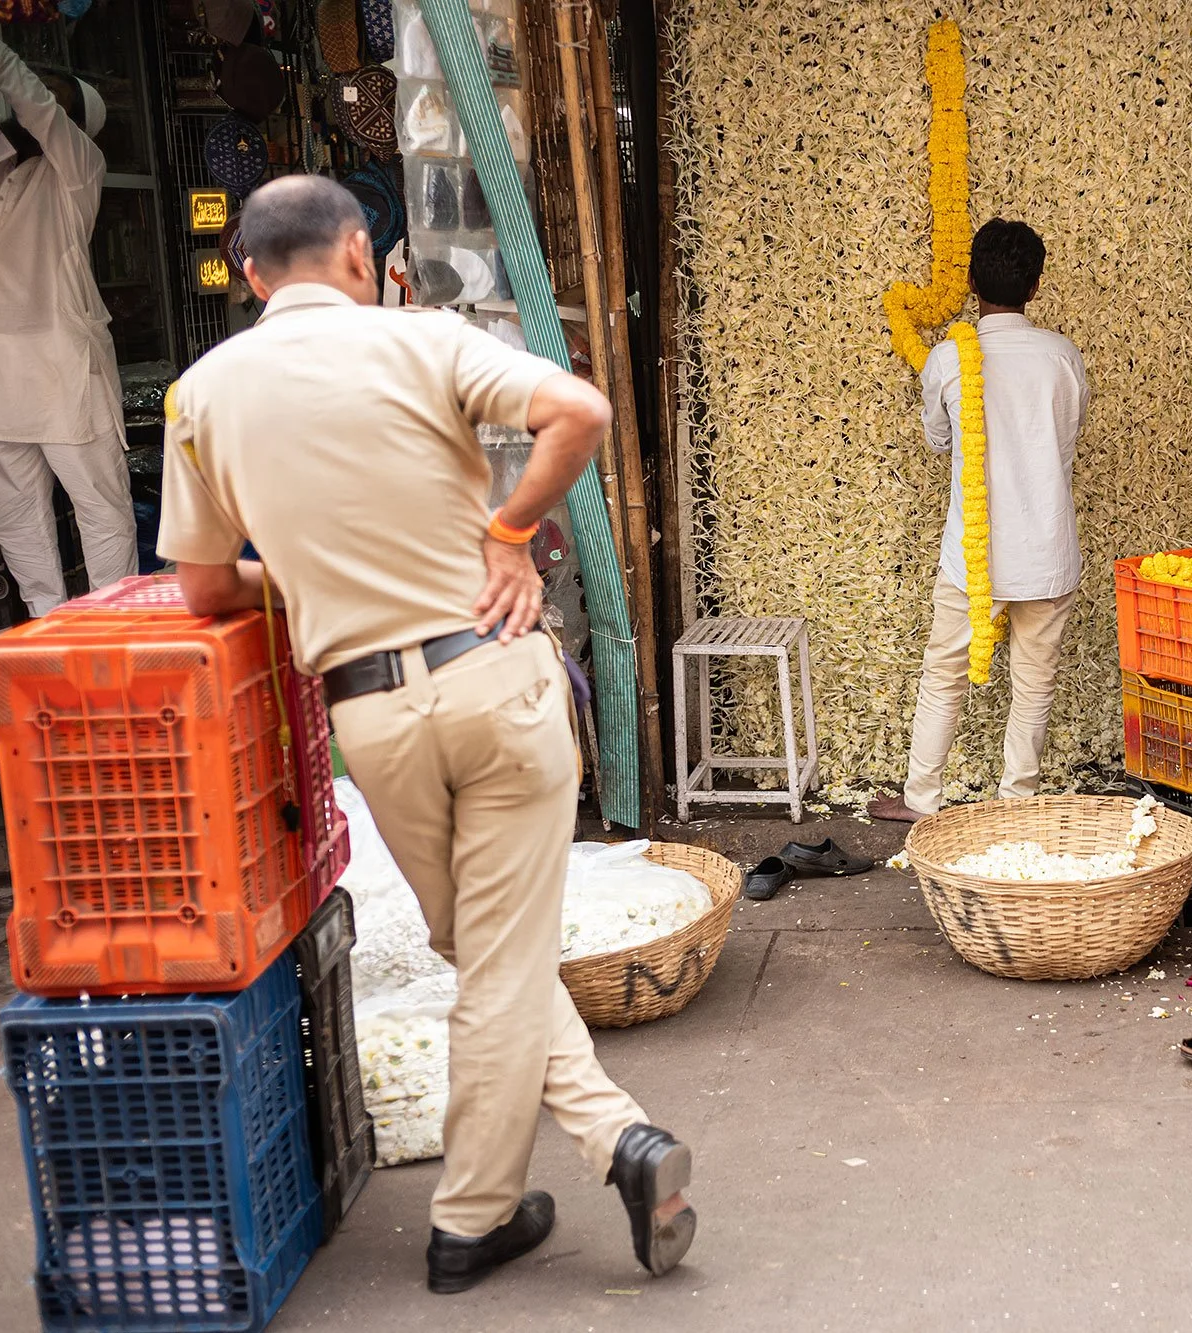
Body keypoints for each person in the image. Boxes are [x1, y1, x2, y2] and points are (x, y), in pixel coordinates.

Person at [156, 176, 695, 1295]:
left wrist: (312, 573)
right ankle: (484, 1213)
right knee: (498, 957)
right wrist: (510, 530)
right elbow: (578, 412)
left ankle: (593, 1148)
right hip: (491, 676)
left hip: (374, 716)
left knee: (483, 952)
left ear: (249, 276)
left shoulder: (200, 395)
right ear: (361, 253)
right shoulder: (422, 339)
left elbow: (205, 587)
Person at [870, 219, 1089, 823]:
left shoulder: (949, 358)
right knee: (1035, 681)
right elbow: (1067, 440)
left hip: (973, 559)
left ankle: (921, 800)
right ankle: (1017, 801)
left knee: (944, 674)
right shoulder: (1062, 356)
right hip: (1046, 553)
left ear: (970, 281)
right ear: (1036, 286)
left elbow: (940, 441)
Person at [0, 27, 139, 615]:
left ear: (74, 123)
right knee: (16, 522)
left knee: (102, 513)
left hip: (66, 379)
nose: (37, 98)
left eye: (56, 95)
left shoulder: (78, 170)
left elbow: (39, 110)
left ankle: (115, 631)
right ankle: (51, 634)